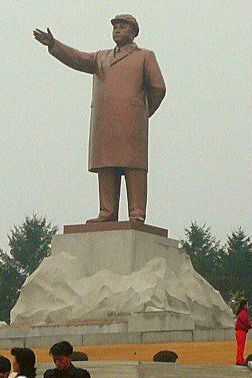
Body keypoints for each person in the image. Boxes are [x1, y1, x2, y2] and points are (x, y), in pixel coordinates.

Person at [34, 14, 166, 223]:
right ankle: (107, 212)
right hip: (105, 122)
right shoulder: (100, 58)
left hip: (132, 122)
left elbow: (158, 87)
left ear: (133, 32)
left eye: (122, 27)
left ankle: (137, 212)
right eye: (115, 26)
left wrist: (143, 112)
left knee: (134, 167)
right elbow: (77, 58)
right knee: (106, 164)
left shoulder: (145, 56)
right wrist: (54, 45)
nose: (117, 30)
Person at [235, 300, 252, 366]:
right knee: (241, 346)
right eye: (247, 305)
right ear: (244, 305)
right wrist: (250, 325)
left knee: (240, 346)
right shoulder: (243, 312)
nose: (248, 307)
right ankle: (239, 360)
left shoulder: (240, 312)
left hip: (239, 332)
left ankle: (240, 359)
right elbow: (245, 320)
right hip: (241, 331)